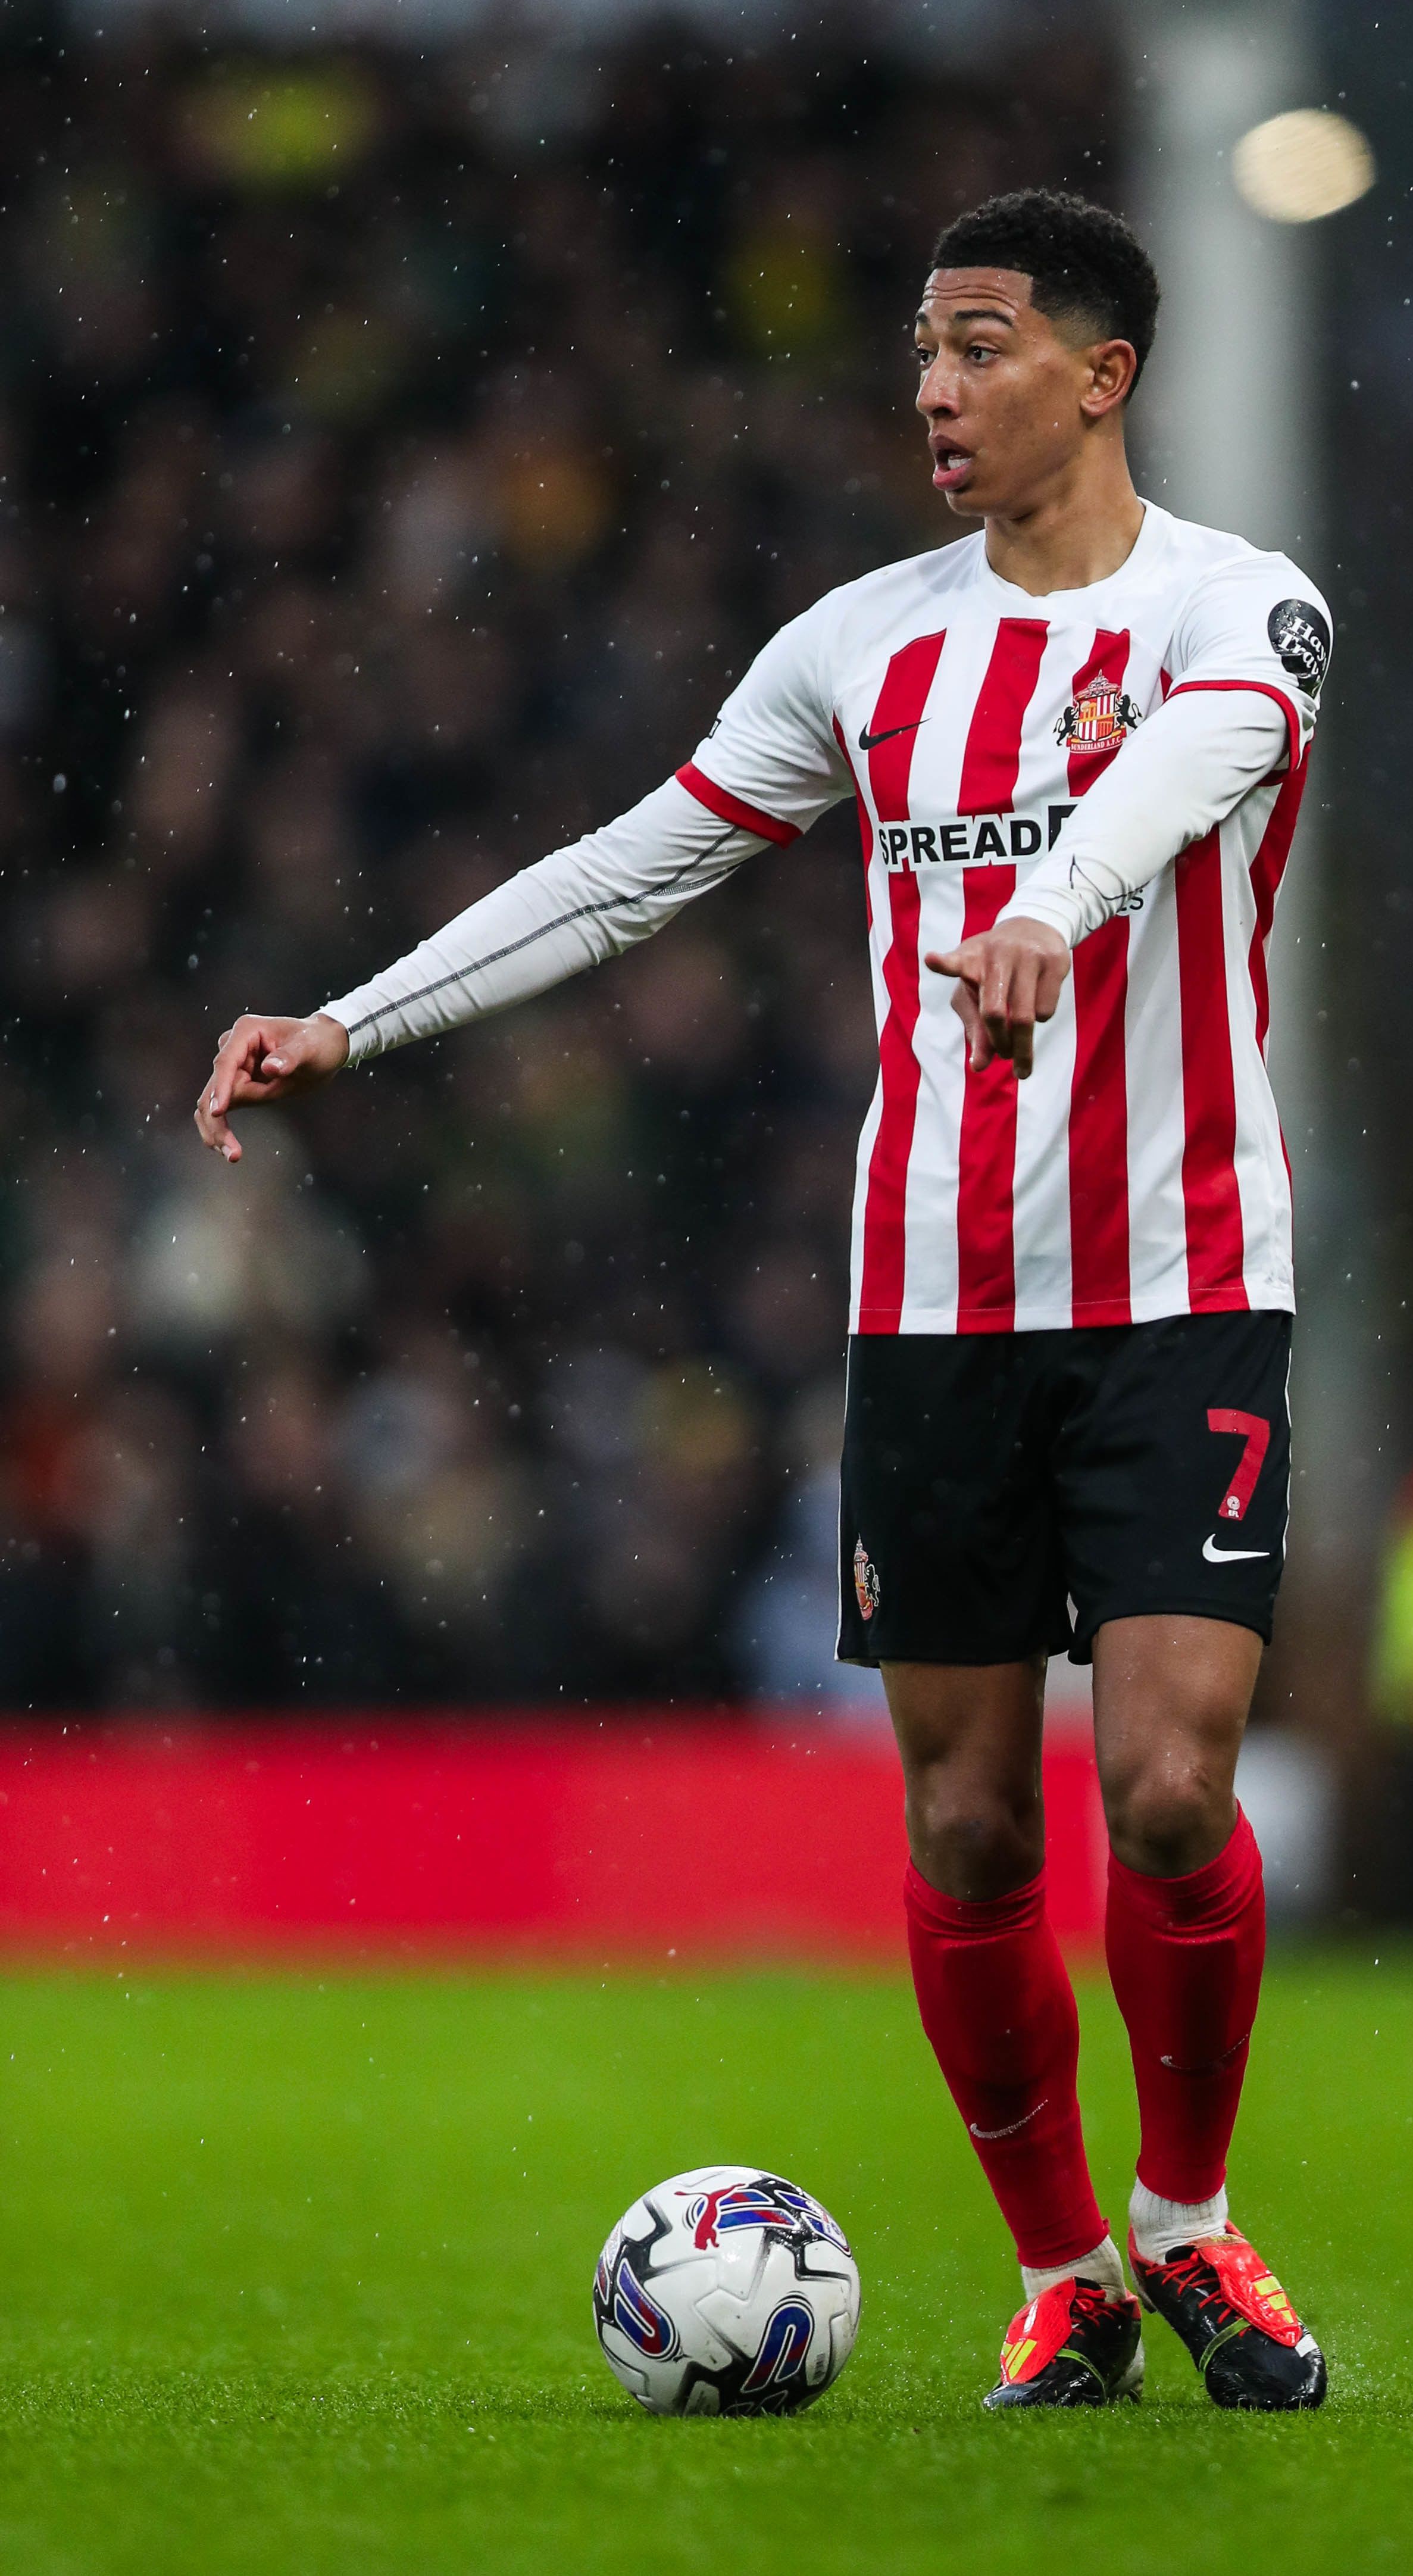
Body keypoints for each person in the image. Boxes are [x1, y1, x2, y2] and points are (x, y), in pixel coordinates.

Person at [195, 189, 1330, 2413]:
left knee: (1170, 1789)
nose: (933, 386)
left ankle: (1191, 2222)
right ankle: (1065, 2274)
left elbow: (1199, 759)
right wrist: (354, 1019)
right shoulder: (859, 646)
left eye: (980, 345)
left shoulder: (1241, 603)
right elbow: (636, 867)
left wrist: (1056, 899)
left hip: (1185, 1281)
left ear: (1101, 374)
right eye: (920, 346)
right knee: (968, 1824)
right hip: (929, 1306)